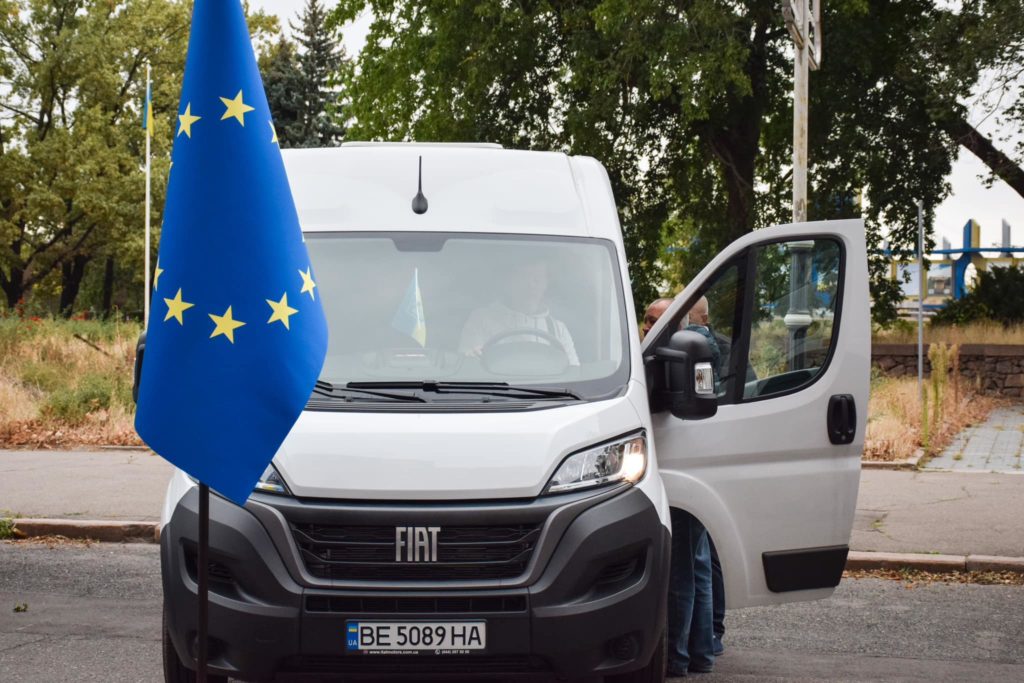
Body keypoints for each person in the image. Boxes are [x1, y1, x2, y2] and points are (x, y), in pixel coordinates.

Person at [643, 296, 725, 674]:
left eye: (657, 321)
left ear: (677, 326)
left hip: (681, 470)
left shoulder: (675, 358)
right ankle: (702, 652)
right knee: (698, 564)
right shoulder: (690, 353)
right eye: (647, 319)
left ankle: (678, 658)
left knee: (682, 570)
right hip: (693, 468)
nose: (648, 327)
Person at [459, 260, 580, 365]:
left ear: (546, 284)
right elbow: (467, 365)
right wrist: (472, 356)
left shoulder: (558, 329)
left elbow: (573, 371)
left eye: (537, 278)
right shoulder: (481, 319)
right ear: (508, 281)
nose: (531, 285)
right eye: (524, 277)